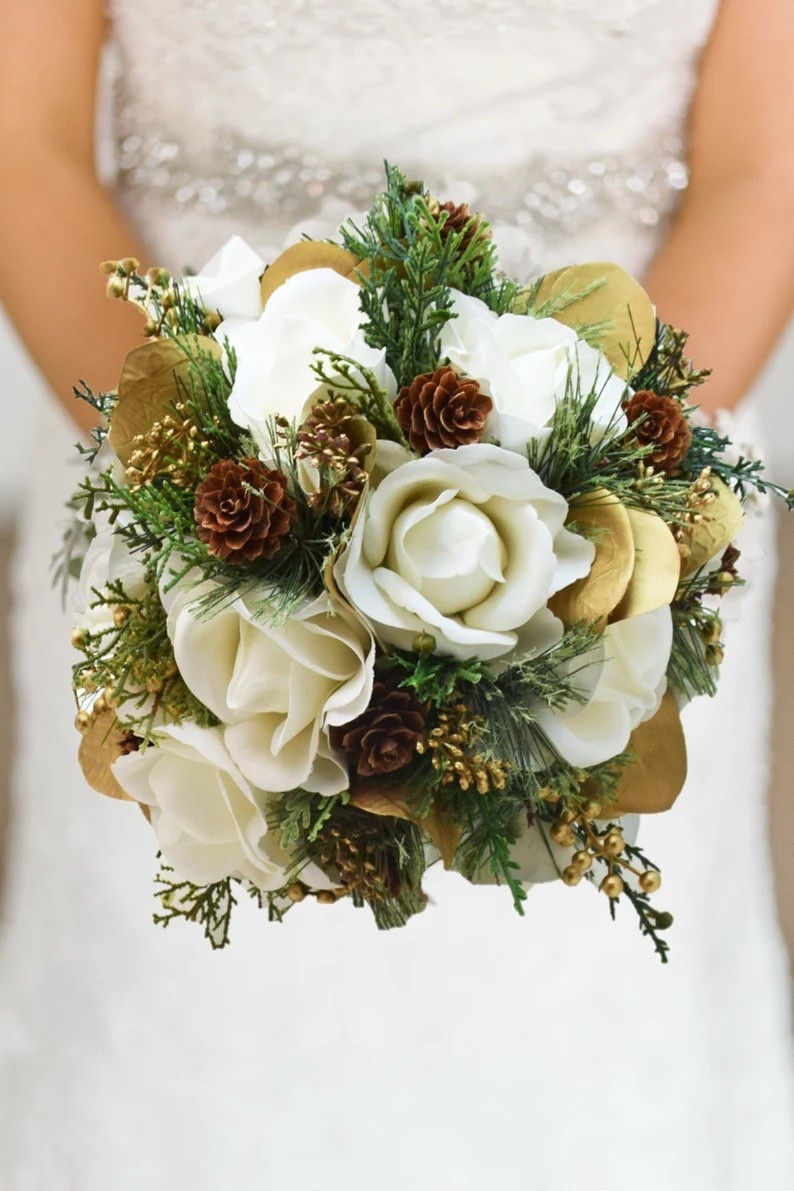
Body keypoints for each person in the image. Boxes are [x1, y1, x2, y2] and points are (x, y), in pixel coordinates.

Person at [1, 2, 793, 1187]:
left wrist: (586, 514)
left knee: (581, 1037)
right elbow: (27, 142)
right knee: (184, 1047)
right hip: (159, 469)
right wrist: (204, 492)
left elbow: (761, 168)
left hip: (619, 498)